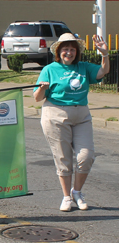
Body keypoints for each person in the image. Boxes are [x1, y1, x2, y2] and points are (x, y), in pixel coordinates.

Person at [33, 33, 109, 212]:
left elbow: (103, 71)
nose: (69, 52)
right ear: (59, 51)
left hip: (81, 115)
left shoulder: (83, 67)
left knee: (86, 156)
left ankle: (77, 192)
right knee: (63, 159)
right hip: (55, 115)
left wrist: (105, 54)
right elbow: (37, 98)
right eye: (65, 49)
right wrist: (43, 88)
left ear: (77, 52)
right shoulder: (50, 69)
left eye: (72, 49)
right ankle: (67, 197)